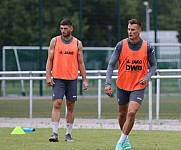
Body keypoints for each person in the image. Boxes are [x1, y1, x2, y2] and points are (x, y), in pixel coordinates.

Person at [105, 19, 157, 150]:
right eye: (128, 29)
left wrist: (147, 77)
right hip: (122, 85)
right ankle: (126, 138)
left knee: (132, 112)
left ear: (139, 31)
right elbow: (111, 65)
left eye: (133, 29)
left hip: (138, 86)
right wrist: (107, 83)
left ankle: (120, 143)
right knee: (122, 113)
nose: (130, 32)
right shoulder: (121, 45)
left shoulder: (147, 47)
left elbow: (154, 65)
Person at [46, 19, 88, 142]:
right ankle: (54, 133)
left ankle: (68, 134)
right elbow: (50, 60)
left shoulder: (77, 43)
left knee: (70, 106)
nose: (63, 31)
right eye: (61, 28)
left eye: (65, 28)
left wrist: (84, 79)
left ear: (71, 29)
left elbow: (81, 62)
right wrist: (48, 76)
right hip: (58, 78)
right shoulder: (55, 41)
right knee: (57, 103)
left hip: (72, 79)